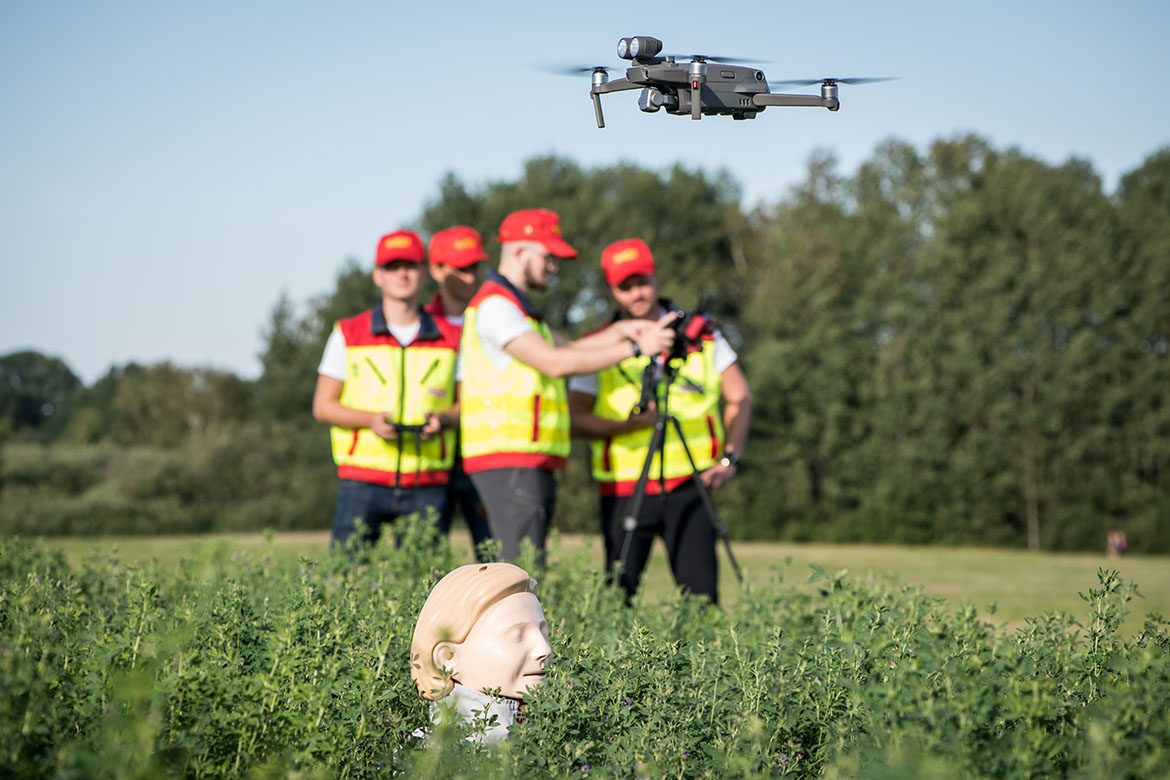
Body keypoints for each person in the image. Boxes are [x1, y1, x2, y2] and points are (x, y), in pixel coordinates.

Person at [458, 209, 677, 561]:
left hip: (525, 459)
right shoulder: (497, 307)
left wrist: (620, 331)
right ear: (519, 253)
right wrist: (636, 348)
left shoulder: (519, 311)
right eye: (548, 256)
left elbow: (570, 349)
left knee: (522, 571)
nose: (553, 267)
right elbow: (556, 363)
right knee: (519, 573)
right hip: (510, 458)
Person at [568, 238, 753, 604]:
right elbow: (575, 419)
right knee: (616, 600)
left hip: (691, 484)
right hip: (624, 488)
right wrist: (627, 427)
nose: (637, 293)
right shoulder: (594, 344)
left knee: (702, 600)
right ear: (611, 290)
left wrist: (730, 458)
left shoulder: (704, 334)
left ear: (655, 277)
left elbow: (740, 396)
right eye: (625, 285)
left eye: (642, 281)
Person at [312, 229, 462, 548]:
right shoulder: (348, 333)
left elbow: (469, 404)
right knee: (344, 577)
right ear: (377, 276)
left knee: (424, 586)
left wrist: (444, 419)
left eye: (410, 265)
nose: (403, 274)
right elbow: (323, 405)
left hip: (428, 480)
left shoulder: (453, 337)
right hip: (362, 480)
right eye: (393, 266)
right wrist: (369, 420)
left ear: (423, 273)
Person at [409, 562, 551, 744]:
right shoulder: (427, 762)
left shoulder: (547, 743)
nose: (545, 650)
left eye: (545, 633)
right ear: (447, 658)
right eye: (518, 635)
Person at [424, 226, 493, 559]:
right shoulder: (417, 324)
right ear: (436, 270)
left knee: (495, 561)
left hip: (483, 456)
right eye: (460, 268)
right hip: (428, 461)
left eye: (474, 267)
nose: (470, 277)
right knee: (425, 562)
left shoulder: (495, 321)